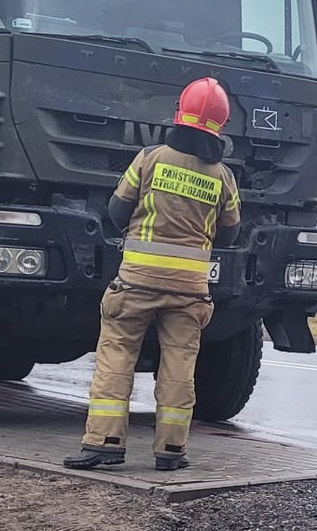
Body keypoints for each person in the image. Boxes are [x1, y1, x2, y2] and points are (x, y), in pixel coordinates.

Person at [65, 77, 241, 472]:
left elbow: (116, 211)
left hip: (137, 281)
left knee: (117, 356)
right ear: (220, 125)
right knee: (180, 365)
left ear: (180, 113)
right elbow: (230, 232)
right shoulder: (223, 177)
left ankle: (104, 443)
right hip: (190, 289)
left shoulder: (150, 158)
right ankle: (171, 450)